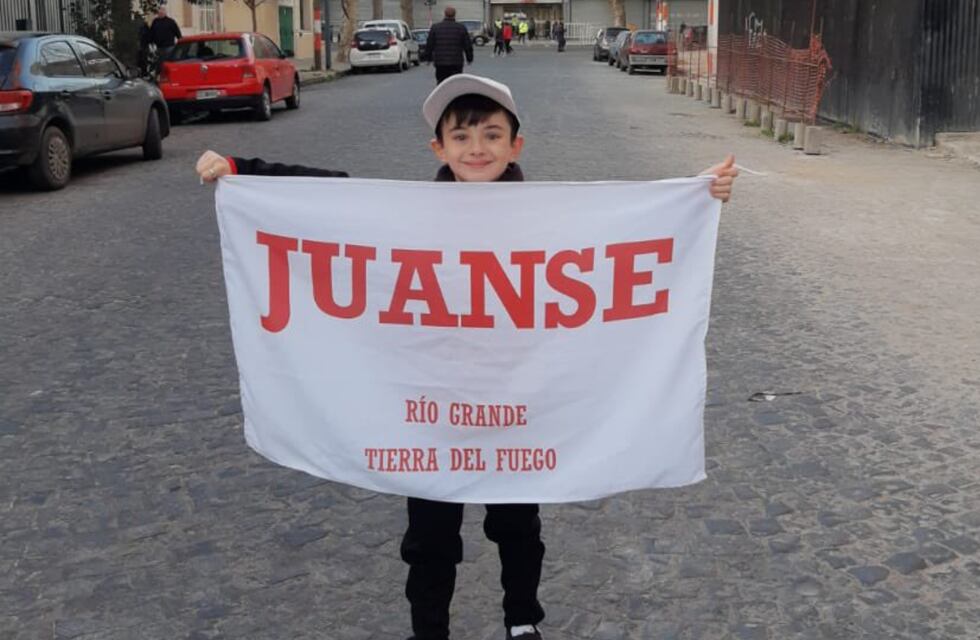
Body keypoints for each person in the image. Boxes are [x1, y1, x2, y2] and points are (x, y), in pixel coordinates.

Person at [194, 74, 738, 640]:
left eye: (491, 135)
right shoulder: (409, 213)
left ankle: (523, 621)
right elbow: (325, 198)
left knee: (518, 525)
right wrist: (240, 169)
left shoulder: (549, 218)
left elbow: (630, 221)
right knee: (429, 538)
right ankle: (429, 629)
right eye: (461, 136)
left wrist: (695, 193)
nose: (476, 148)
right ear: (439, 149)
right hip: (428, 414)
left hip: (519, 408)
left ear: (515, 146)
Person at [425, 6, 474, 84]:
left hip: (440, 62)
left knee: (441, 82)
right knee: (456, 83)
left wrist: (428, 58)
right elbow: (467, 45)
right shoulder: (461, 28)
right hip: (456, 61)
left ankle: (442, 95)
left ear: (444, 14)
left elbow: (430, 44)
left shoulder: (435, 28)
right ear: (455, 15)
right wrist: (469, 58)